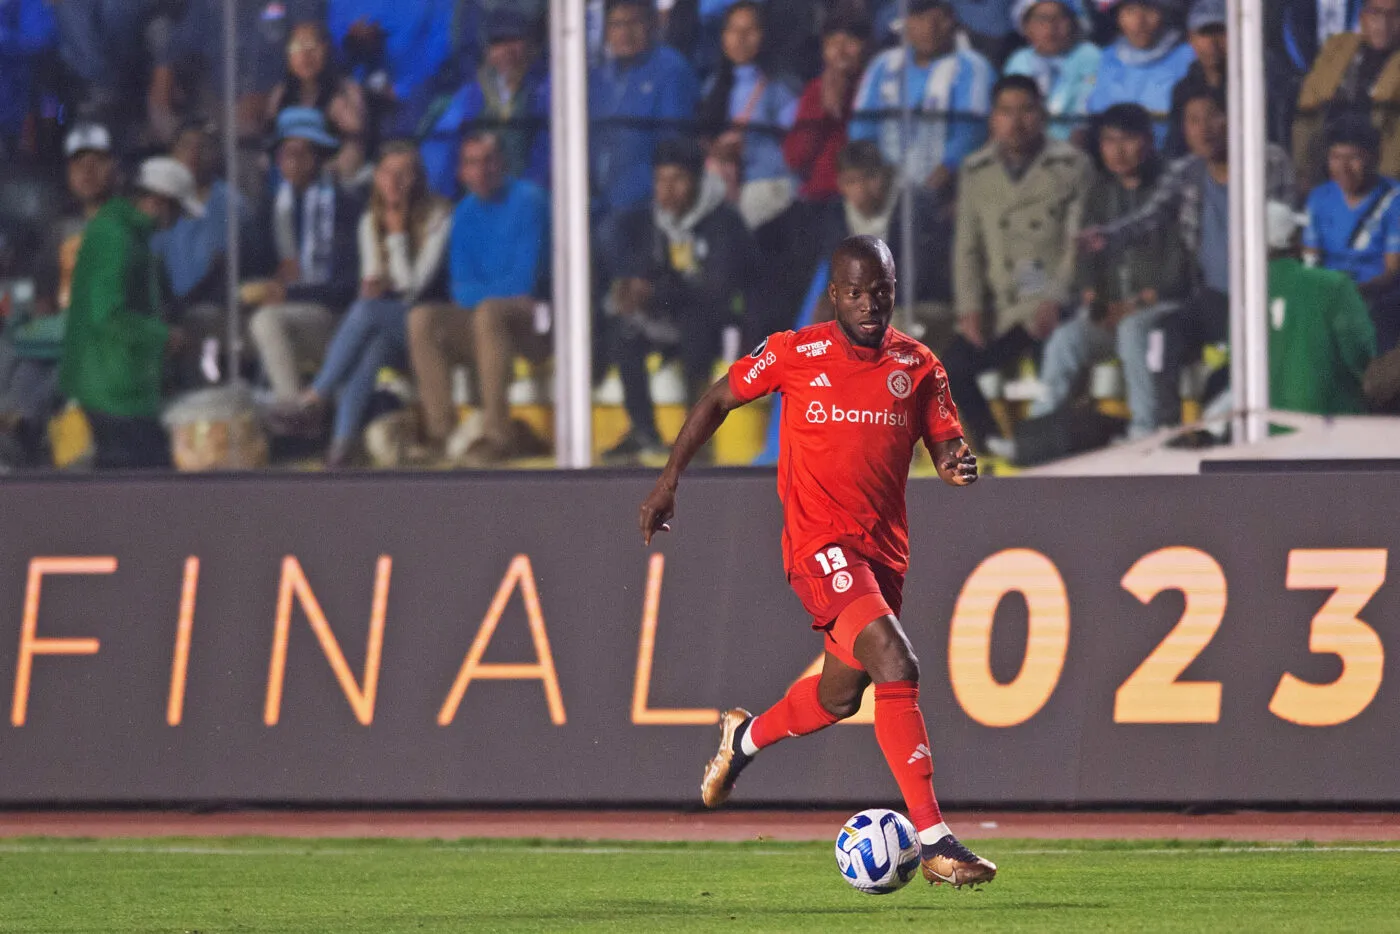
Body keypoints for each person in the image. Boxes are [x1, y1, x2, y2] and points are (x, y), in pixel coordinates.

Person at [637, 234, 996, 890]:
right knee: (898, 661)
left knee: (840, 694)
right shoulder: (793, 352)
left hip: (882, 555)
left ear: (893, 291)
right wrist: (669, 482)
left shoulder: (918, 366)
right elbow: (718, 398)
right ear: (835, 295)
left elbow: (946, 445)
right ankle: (936, 838)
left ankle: (743, 740)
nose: (868, 304)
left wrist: (956, 467)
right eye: (855, 293)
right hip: (817, 548)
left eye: (879, 292)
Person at [1080, 87, 1297, 420]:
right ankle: (1163, 431)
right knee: (1163, 338)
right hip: (1214, 297)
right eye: (1193, 120)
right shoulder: (1187, 172)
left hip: (1263, 296)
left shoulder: (1269, 161)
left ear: (1235, 117)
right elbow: (1148, 216)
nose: (1204, 128)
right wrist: (1107, 236)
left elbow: (1282, 227)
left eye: (1213, 116)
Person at [273, 142, 453, 468]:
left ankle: (316, 396)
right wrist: (379, 282)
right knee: (371, 351)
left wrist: (397, 234)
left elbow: (414, 287)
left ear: (418, 178)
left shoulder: (438, 215)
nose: (393, 183)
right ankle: (341, 448)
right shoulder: (369, 220)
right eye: (386, 173)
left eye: (403, 174)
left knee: (366, 312)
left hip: (430, 324)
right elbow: (372, 283)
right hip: (390, 324)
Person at [945, 75, 1092, 449]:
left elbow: (1079, 245)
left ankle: (1045, 451)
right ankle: (992, 444)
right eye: (1006, 111)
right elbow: (968, 248)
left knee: (1058, 367)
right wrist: (970, 308)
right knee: (949, 368)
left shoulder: (1072, 166)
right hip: (1000, 308)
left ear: (1042, 114)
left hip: (1051, 302)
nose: (1017, 121)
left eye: (1026, 110)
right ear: (993, 119)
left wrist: (1056, 299)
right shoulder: (976, 170)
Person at [1031, 104, 1191, 436]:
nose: (1118, 151)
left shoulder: (1171, 189)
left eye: (1127, 139)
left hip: (1163, 308)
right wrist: (1094, 299)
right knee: (1066, 340)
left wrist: (1137, 303)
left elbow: (1182, 267)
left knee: (1135, 331)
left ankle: (1145, 433)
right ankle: (1037, 434)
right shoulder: (1100, 191)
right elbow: (1086, 262)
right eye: (1108, 141)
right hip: (1112, 310)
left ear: (1148, 140)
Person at [597, 137, 757, 462]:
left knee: (696, 328)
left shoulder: (724, 223)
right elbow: (646, 271)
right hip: (671, 314)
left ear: (697, 180)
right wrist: (633, 289)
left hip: (720, 320)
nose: (667, 190)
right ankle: (643, 431)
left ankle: (696, 435)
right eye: (660, 180)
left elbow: (717, 291)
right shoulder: (651, 223)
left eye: (678, 179)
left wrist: (658, 292)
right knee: (624, 331)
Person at [407, 132, 552, 467]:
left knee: (488, 313)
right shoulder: (464, 212)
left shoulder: (530, 201)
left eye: (488, 161)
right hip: (484, 320)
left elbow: (525, 280)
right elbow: (460, 288)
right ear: (462, 172)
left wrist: (483, 294)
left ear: (502, 163)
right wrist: (485, 295)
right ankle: (442, 434)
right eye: (472, 163)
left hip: (537, 321)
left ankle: (498, 435)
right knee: (423, 318)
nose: (481, 170)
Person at [61, 158, 205, 469]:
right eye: (176, 210)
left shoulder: (128, 236)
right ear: (157, 201)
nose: (177, 221)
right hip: (112, 388)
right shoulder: (117, 237)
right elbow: (108, 314)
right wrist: (164, 337)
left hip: (119, 384)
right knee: (142, 480)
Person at [246, 108, 364, 406]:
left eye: (302, 153)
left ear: (320, 156)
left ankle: (294, 409)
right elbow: (255, 265)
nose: (293, 162)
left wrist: (290, 292)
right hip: (291, 311)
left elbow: (348, 285)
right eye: (286, 154)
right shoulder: (271, 206)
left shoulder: (345, 205)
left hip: (334, 317)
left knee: (267, 320)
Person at [849, 0, 995, 197]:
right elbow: (862, 127)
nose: (930, 28)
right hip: (883, 188)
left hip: (949, 189)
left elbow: (970, 132)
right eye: (920, 18)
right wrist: (873, 174)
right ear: (906, 23)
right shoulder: (882, 65)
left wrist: (945, 171)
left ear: (952, 20)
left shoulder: (973, 66)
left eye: (939, 18)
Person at [151, 120, 250, 388]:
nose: (193, 155)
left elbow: (222, 270)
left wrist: (177, 307)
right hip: (163, 304)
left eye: (203, 147)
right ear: (172, 153)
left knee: (197, 321)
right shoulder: (158, 202)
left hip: (210, 305)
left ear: (216, 155)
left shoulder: (230, 204)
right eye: (185, 146)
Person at [589, 0, 700, 221]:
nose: (624, 33)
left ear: (652, 24)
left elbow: (673, 143)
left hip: (643, 206)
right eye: (616, 25)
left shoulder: (671, 69)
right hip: (596, 202)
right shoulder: (599, 76)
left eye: (634, 23)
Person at [420, 11, 551, 198]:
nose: (507, 50)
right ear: (487, 51)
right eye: (498, 43)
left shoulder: (547, 90)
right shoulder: (470, 95)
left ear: (530, 45)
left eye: (515, 40)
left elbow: (547, 153)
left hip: (531, 196)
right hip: (480, 196)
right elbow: (447, 154)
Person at [698, 2, 801, 231]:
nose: (740, 38)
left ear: (765, 35)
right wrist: (715, 150)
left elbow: (795, 143)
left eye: (749, 30)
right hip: (723, 187)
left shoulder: (781, 86)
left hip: (770, 185)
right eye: (733, 30)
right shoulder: (713, 86)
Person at [1267, 201, 1377, 415]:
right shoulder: (1334, 286)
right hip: (1329, 429)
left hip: (1263, 430)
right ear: (1294, 240)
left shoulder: (1244, 294)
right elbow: (1361, 355)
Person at [1303, 116, 1400, 352]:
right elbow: (1311, 260)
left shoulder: (1394, 199)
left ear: (1373, 158)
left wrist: (1353, 293)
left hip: (1379, 303)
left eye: (1354, 158)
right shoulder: (1319, 198)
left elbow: (1392, 271)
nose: (1343, 168)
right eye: (1335, 158)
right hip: (1329, 299)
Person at [1294, 0, 1400, 189]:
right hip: (1327, 156)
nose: (1384, 23)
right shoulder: (1337, 48)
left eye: (1394, 15)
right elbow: (1308, 109)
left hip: (1385, 170)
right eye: (1376, 13)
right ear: (1363, 17)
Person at [266, 20, 371, 184]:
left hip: (331, 181)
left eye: (312, 46)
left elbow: (357, 141)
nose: (305, 55)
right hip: (284, 180)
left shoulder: (347, 90)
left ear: (326, 49)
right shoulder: (280, 93)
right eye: (297, 47)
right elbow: (269, 137)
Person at [782, 14, 870, 204]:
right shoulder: (815, 90)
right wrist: (823, 110)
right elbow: (795, 158)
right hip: (820, 196)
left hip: (863, 193)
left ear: (866, 46)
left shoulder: (874, 86)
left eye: (849, 42)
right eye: (832, 44)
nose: (840, 52)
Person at [1086, 0, 1197, 147]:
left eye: (1149, 10)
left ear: (1167, 13)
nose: (1139, 22)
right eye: (1130, 11)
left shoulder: (1190, 57)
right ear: (1117, 18)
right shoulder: (1105, 59)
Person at [1004, 0, 1103, 142]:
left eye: (1061, 18)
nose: (1051, 27)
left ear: (1076, 22)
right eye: (1041, 19)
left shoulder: (1090, 56)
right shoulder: (1018, 60)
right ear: (1026, 27)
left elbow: (1085, 117)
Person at [1164, 0, 1226, 157]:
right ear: (1191, 39)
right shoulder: (1183, 90)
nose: (1213, 43)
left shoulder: (1259, 83)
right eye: (1204, 33)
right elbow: (1176, 146)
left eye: (1221, 31)